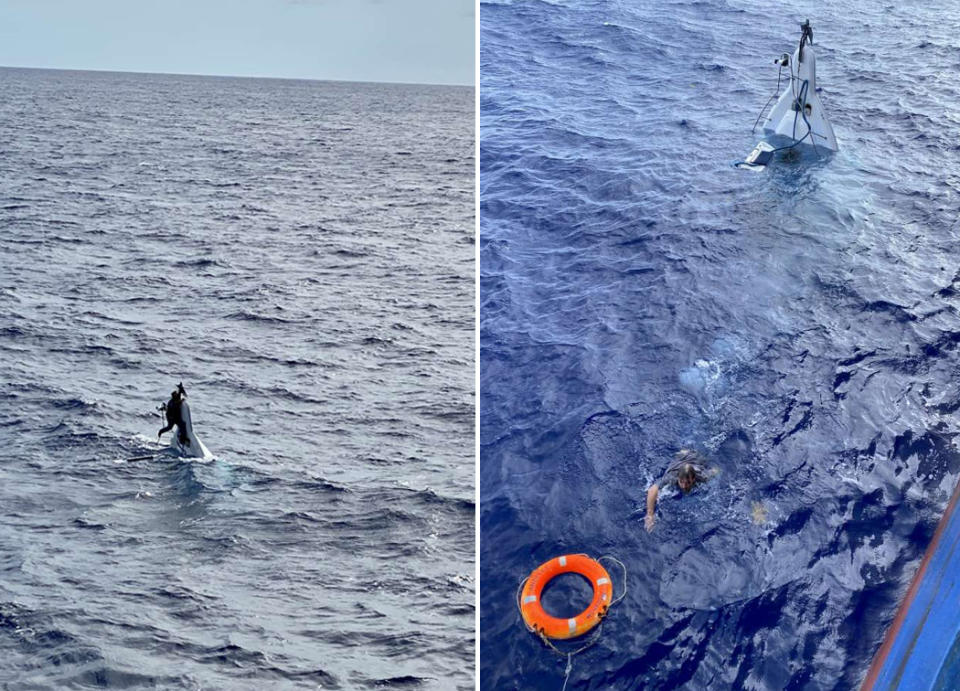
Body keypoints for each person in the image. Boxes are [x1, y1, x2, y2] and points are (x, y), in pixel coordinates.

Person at [644, 448, 717, 532]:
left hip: (697, 461)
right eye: (681, 482)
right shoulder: (672, 477)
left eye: (688, 482)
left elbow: (715, 471)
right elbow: (652, 490)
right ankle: (685, 452)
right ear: (678, 478)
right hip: (682, 459)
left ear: (693, 479)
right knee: (682, 453)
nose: (684, 486)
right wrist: (650, 514)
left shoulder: (701, 477)